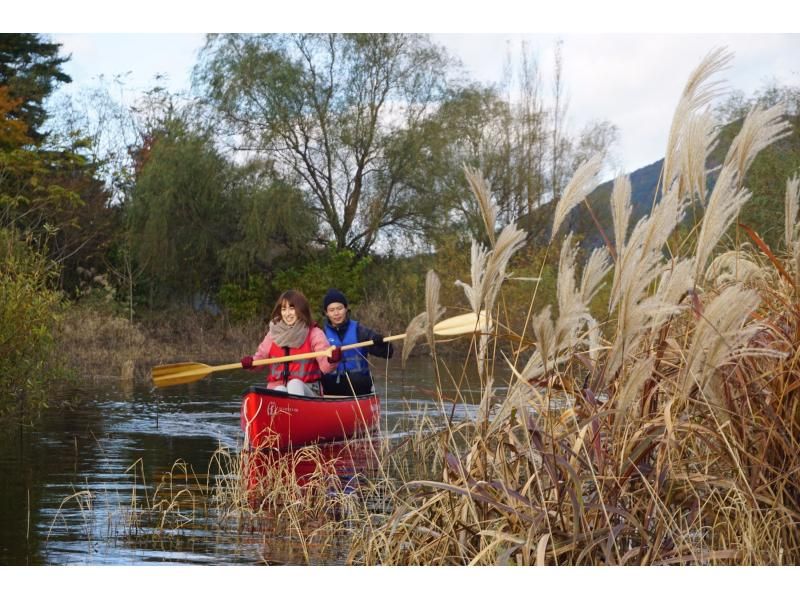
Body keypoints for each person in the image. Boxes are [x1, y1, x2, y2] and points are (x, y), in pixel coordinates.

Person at [240, 289, 341, 396]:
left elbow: (325, 367)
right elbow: (259, 360)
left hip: (309, 390)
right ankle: (283, 409)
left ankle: (296, 409)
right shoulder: (272, 335)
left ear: (300, 309)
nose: (287, 314)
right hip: (278, 389)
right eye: (284, 309)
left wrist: (332, 359)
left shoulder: (314, 333)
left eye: (292, 308)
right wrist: (251, 364)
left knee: (294, 384)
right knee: (280, 389)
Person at [320, 288, 393, 396]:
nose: (336, 313)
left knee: (356, 379)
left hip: (359, 385)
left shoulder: (359, 330)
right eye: (332, 310)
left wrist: (382, 344)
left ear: (346, 309)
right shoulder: (321, 334)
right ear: (326, 313)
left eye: (339, 308)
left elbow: (387, 353)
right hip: (333, 385)